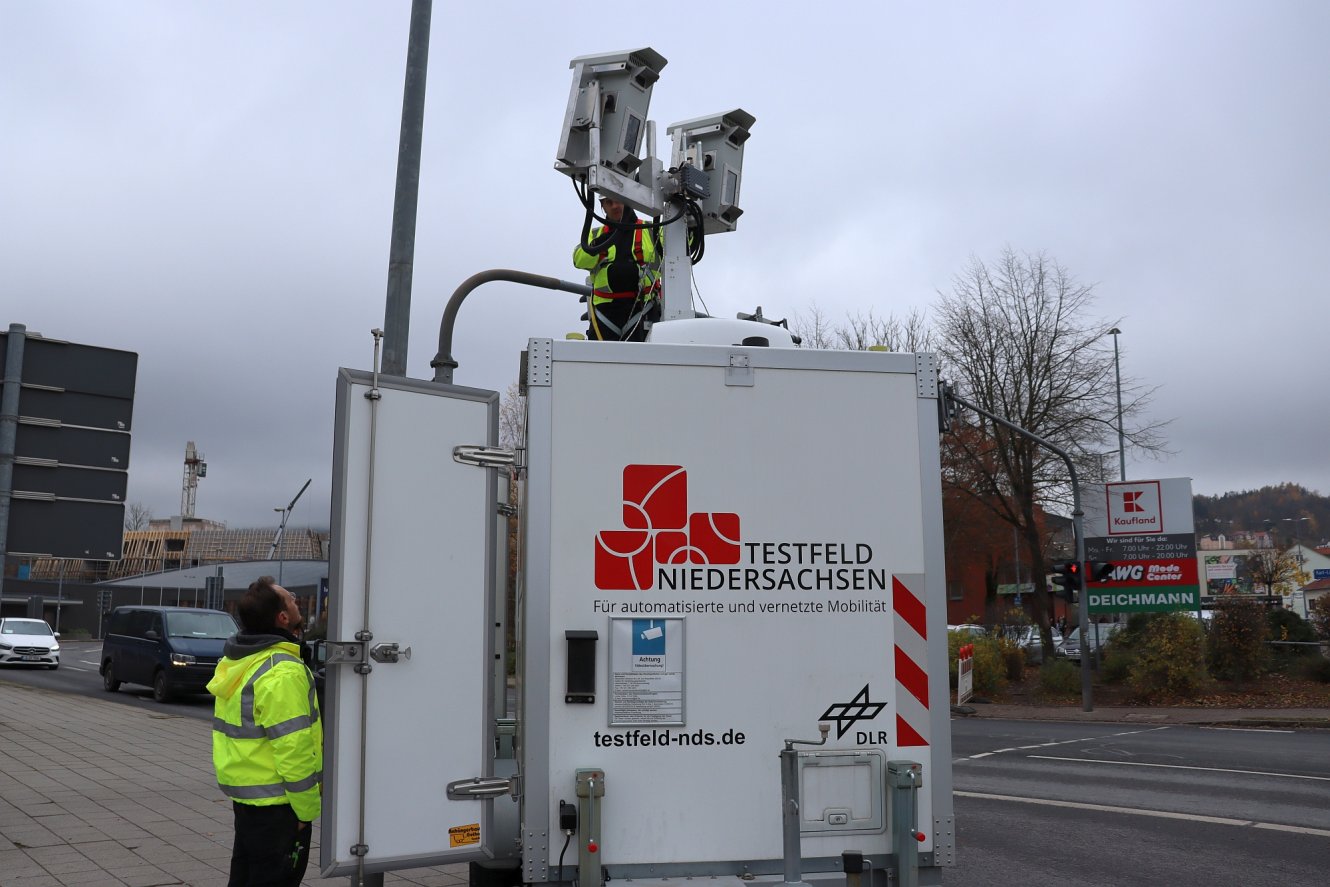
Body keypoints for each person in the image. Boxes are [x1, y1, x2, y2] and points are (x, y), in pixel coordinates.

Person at [208, 577, 322, 887]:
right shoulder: (283, 671)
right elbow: (293, 749)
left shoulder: (240, 661)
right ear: (283, 618)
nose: (297, 602)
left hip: (249, 799)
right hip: (279, 808)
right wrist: (305, 812)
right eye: (292, 599)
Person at [573, 195, 661, 341]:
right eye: (609, 202)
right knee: (602, 361)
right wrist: (599, 244)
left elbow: (681, 245)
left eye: (618, 200)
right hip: (605, 312)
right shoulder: (595, 235)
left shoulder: (651, 230)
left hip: (643, 307)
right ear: (603, 206)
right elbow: (579, 260)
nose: (614, 206)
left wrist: (690, 226)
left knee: (643, 361)